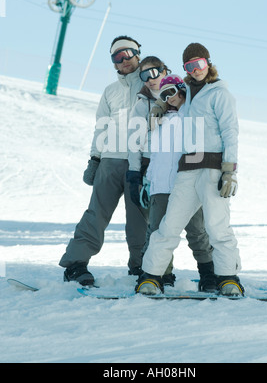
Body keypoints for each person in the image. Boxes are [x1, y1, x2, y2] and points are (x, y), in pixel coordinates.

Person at [137, 43, 243, 297]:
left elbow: (231, 132)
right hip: (187, 170)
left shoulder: (219, 94)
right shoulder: (190, 96)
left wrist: (229, 171)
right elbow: (174, 102)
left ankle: (228, 278)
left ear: (208, 63)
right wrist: (161, 106)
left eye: (199, 64)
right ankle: (151, 277)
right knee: (169, 225)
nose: (195, 70)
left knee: (217, 227)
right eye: (189, 66)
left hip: (213, 169)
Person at [59, 36, 148, 285]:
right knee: (96, 213)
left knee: (140, 218)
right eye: (117, 57)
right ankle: (76, 264)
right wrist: (95, 159)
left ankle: (141, 267)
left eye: (127, 53)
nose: (123, 60)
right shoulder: (110, 91)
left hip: (141, 163)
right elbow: (101, 128)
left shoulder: (153, 85)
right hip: (110, 160)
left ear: (138, 53)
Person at [127, 60, 214, 291]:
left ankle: (209, 274)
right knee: (157, 232)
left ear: (181, 90)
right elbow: (155, 156)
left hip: (188, 185)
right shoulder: (158, 122)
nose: (169, 98)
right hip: (161, 188)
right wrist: (148, 182)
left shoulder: (190, 114)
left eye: (172, 92)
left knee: (197, 232)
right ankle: (158, 275)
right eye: (164, 95)